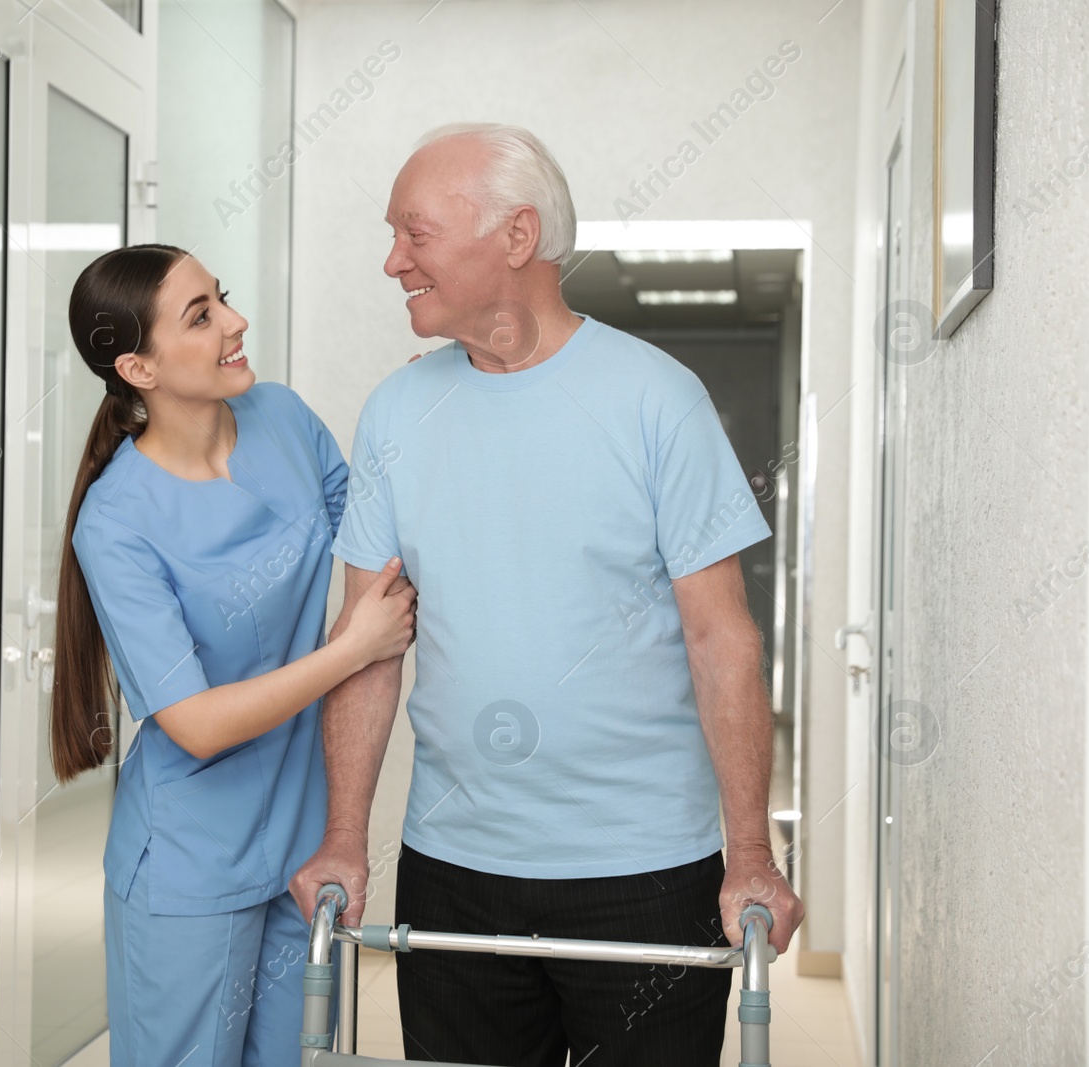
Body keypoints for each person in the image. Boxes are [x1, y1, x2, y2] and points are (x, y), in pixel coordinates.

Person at [289, 124, 805, 1066]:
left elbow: (722, 642)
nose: (393, 259)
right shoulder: (397, 412)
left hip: (649, 871)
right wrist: (342, 841)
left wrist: (750, 854)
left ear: (517, 236)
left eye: (416, 233)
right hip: (456, 868)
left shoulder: (659, 401)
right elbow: (368, 646)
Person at [50, 243, 417, 1067]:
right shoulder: (116, 523)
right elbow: (196, 724)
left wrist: (430, 410)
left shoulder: (284, 420)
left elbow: (381, 537)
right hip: (187, 861)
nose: (235, 321)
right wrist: (352, 648)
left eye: (222, 298)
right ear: (137, 365)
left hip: (302, 841)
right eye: (201, 314)